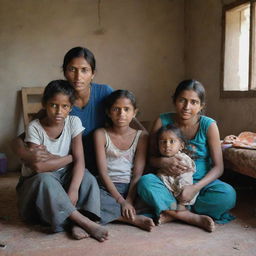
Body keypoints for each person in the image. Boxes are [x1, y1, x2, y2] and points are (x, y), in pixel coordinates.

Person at [13, 46, 144, 176]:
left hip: (102, 163)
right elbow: (21, 138)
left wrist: (149, 140)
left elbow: (129, 119)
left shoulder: (104, 93)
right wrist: (26, 155)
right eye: (72, 69)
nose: (78, 76)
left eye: (84, 70)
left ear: (93, 74)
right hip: (70, 165)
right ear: (64, 72)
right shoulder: (60, 102)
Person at [137, 79, 236, 232]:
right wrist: (164, 162)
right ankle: (189, 216)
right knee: (145, 182)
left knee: (228, 195)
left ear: (201, 106)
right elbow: (150, 158)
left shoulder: (208, 125)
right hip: (168, 182)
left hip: (200, 184)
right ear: (174, 100)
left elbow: (218, 167)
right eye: (182, 100)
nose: (186, 107)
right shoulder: (162, 121)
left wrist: (195, 188)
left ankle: (171, 211)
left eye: (194, 102)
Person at [16, 80, 108, 242]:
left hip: (62, 176)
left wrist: (73, 189)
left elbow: (81, 161)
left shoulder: (73, 122)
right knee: (45, 180)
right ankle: (83, 221)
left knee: (87, 177)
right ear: (44, 104)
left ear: (71, 108)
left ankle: (74, 222)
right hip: (35, 186)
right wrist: (70, 157)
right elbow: (39, 167)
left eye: (65, 106)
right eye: (53, 105)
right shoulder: (35, 128)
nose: (59, 111)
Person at [94, 90, 155, 231]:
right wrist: (121, 201)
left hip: (131, 188)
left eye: (126, 109)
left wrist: (129, 199)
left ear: (134, 113)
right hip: (106, 187)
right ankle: (131, 219)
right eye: (116, 109)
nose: (121, 114)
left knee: (150, 193)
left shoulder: (142, 136)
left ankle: (114, 214)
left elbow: (137, 174)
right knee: (88, 195)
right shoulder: (100, 134)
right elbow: (103, 173)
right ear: (108, 112)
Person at [156, 124, 199, 214]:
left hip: (181, 193)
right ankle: (171, 211)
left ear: (181, 146)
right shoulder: (160, 160)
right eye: (163, 142)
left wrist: (182, 196)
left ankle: (180, 209)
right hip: (169, 191)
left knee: (183, 186)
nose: (167, 145)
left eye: (172, 141)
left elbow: (186, 176)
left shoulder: (182, 159)